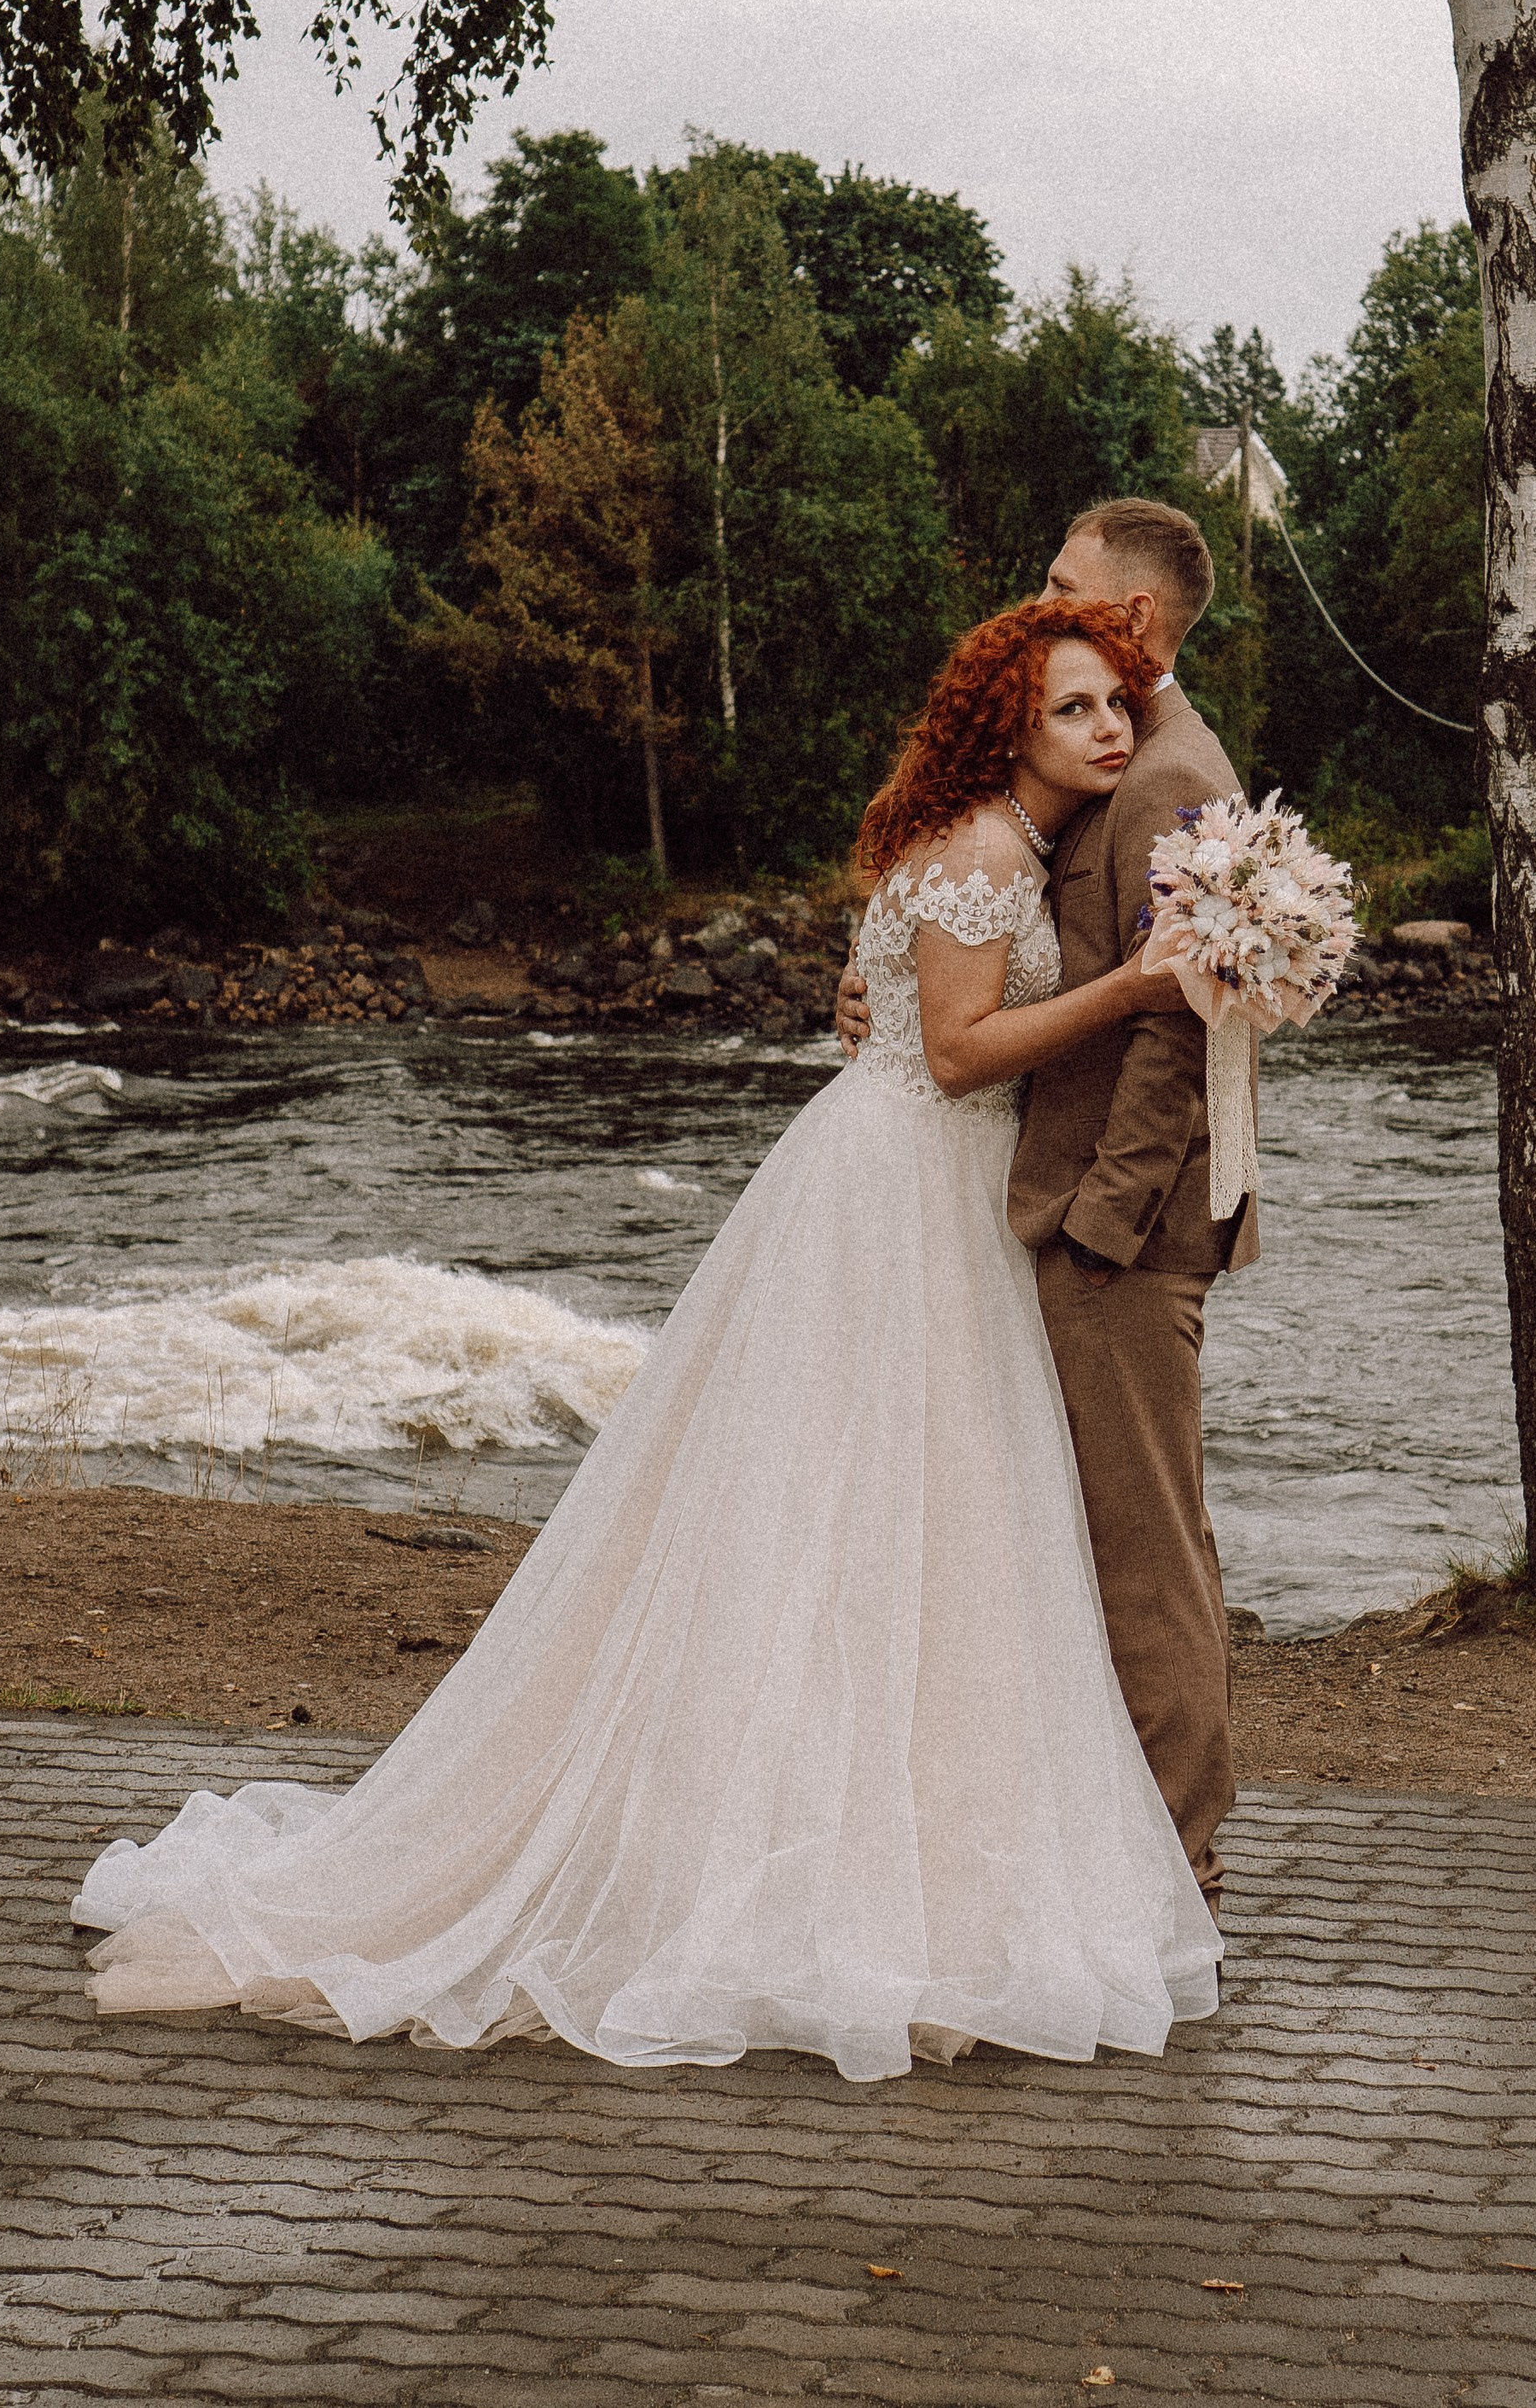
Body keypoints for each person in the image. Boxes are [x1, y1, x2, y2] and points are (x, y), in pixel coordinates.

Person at [71, 602, 1223, 2085]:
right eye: (1075, 709)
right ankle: (828, 1869)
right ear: (1012, 726)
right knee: (878, 1514)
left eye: (1115, 705)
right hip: (904, 1198)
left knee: (897, 1524)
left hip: (901, 1183)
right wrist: (1129, 987)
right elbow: (949, 1052)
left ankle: (890, 1842)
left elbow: (903, 1013)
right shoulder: (993, 851)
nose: (1110, 729)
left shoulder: (991, 838)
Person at [836, 498, 1257, 1912]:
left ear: (1131, 621)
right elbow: (995, 940)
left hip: (1114, 1227)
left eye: (1064, 582)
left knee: (1145, 1554)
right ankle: (1119, 1841)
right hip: (1029, 1194)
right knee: (1097, 1532)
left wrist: (1101, 1224)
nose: (1039, 597)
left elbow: (1184, 1030)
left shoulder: (1164, 780)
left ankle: (1177, 1860)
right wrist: (886, 984)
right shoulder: (1107, 764)